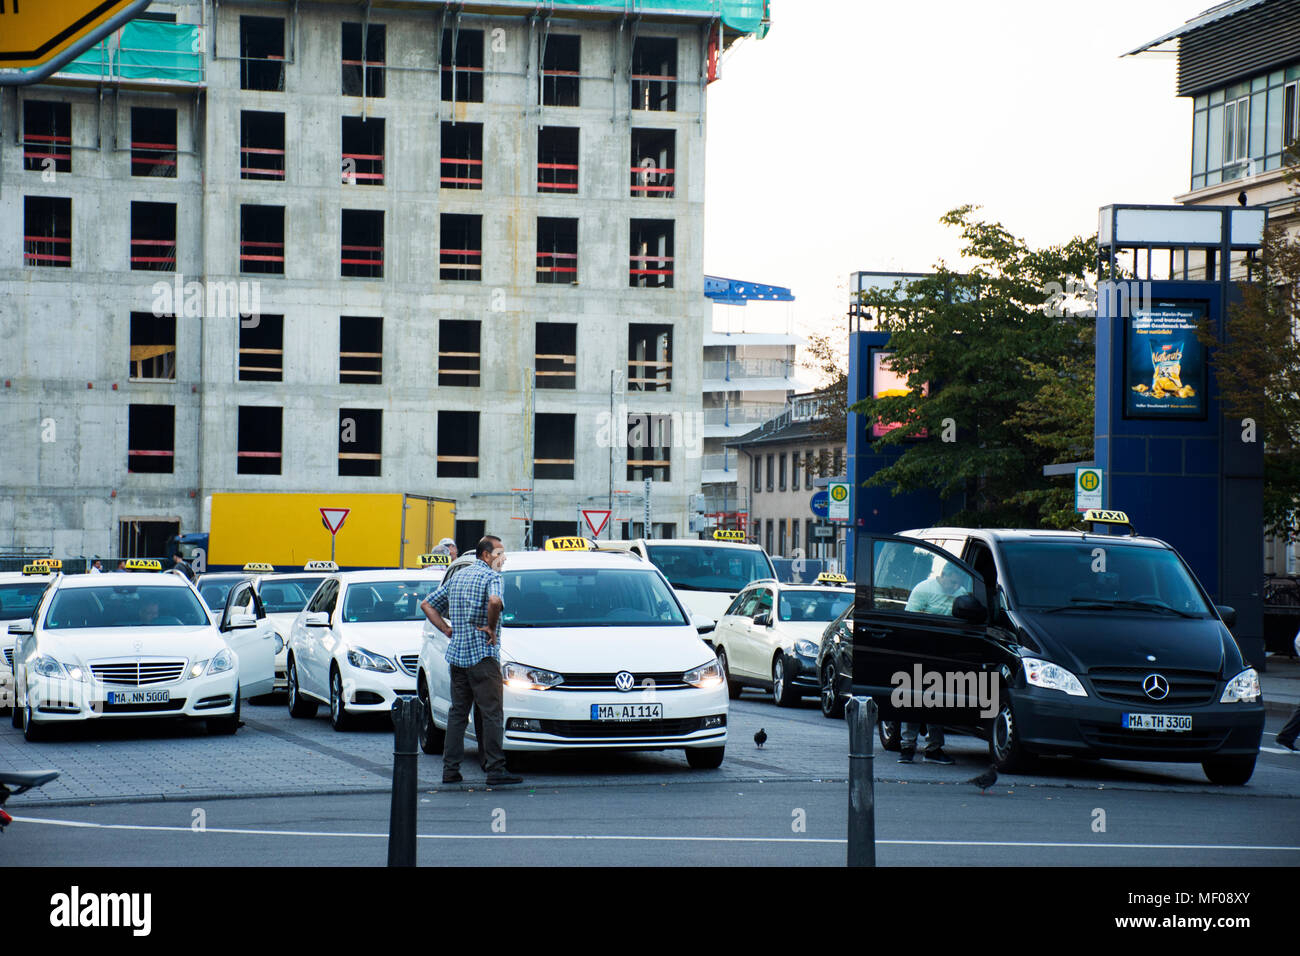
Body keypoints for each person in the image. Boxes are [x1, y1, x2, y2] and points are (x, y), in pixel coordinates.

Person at [420, 536, 522, 786]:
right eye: (499, 553)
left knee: (457, 713)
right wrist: (491, 625)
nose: (503, 558)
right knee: (491, 713)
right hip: (482, 656)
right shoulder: (492, 578)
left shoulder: (458, 576)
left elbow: (427, 604)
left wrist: (446, 629)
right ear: (486, 555)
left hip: (458, 656)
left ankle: (450, 770)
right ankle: (495, 768)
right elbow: (495, 601)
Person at [897, 561, 967, 765]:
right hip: (922, 650)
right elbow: (911, 620)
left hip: (943, 653)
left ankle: (931, 747)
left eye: (957, 584)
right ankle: (908, 746)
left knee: (937, 700)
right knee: (916, 698)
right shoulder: (923, 589)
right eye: (952, 582)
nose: (954, 587)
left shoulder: (960, 591)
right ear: (943, 575)